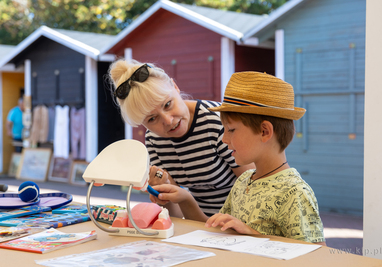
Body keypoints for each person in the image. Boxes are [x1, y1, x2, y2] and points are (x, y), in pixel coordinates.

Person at [150, 71, 326, 245]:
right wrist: (185, 198)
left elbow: (316, 255)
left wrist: (253, 234)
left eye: (231, 130)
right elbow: (213, 229)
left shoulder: (294, 192)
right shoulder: (243, 181)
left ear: (264, 132)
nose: (224, 139)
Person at [108, 59, 254, 217]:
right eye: (152, 119)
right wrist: (163, 195)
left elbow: (255, 186)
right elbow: (176, 217)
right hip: (201, 224)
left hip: (244, 221)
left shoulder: (217, 122)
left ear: (175, 87)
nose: (168, 120)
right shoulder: (154, 140)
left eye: (168, 104)